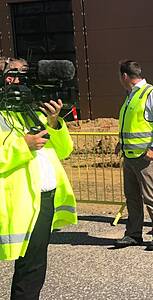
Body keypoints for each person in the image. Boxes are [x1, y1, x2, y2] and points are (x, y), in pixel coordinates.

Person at [0, 57, 77, 299]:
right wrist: (24, 145)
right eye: (11, 74)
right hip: (9, 205)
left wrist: (54, 123)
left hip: (40, 203)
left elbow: (64, 151)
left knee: (32, 269)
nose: (17, 80)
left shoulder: (31, 111)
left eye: (23, 73)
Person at [114, 60, 153, 251]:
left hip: (146, 156)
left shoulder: (150, 93)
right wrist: (121, 142)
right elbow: (132, 125)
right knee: (132, 197)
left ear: (124, 76)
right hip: (130, 155)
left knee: (151, 196)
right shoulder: (131, 96)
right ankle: (133, 235)